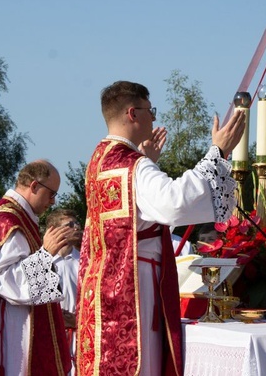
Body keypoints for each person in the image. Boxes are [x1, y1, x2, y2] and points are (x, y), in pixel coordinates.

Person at [76, 80, 246, 376]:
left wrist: (147, 161)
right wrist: (217, 152)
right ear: (133, 113)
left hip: (104, 288)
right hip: (134, 285)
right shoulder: (132, 165)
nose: (154, 117)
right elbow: (174, 204)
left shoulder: (98, 162)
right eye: (149, 110)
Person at [0, 160, 74, 376]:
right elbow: (4, 279)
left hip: (19, 319)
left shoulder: (20, 216)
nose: (53, 201)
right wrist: (45, 254)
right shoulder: (8, 220)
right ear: (34, 186)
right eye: (51, 194)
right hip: (12, 326)